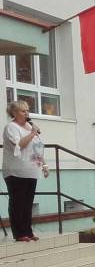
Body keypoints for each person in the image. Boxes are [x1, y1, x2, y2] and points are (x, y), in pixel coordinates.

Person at [3, 101, 49, 241]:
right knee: (18, 202)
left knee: (28, 203)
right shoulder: (11, 127)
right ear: (14, 113)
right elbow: (20, 145)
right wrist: (32, 133)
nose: (27, 113)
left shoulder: (29, 126)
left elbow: (37, 148)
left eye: (27, 110)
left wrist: (44, 165)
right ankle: (19, 233)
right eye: (23, 111)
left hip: (31, 171)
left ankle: (28, 232)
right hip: (16, 171)